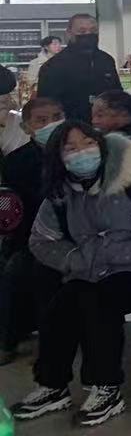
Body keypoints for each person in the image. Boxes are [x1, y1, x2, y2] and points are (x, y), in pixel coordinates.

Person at [9, 122, 131, 428]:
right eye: (71, 148)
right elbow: (41, 240)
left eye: (88, 143)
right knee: (60, 307)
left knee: (98, 302)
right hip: (88, 271)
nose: (82, 153)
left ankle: (106, 387)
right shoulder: (61, 194)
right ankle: (53, 385)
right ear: (59, 157)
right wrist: (74, 260)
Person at [0, 95, 63, 364]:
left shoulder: (81, 153)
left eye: (57, 117)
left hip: (79, 237)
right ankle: (9, 340)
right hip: (31, 238)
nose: (51, 124)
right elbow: (14, 210)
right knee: (15, 271)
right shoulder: (16, 162)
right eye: (41, 120)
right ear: (26, 127)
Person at [34, 13, 120, 123]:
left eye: (93, 31)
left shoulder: (106, 60)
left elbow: (117, 93)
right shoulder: (53, 65)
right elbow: (46, 107)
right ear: (69, 33)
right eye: (82, 31)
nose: (88, 34)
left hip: (107, 125)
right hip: (71, 126)